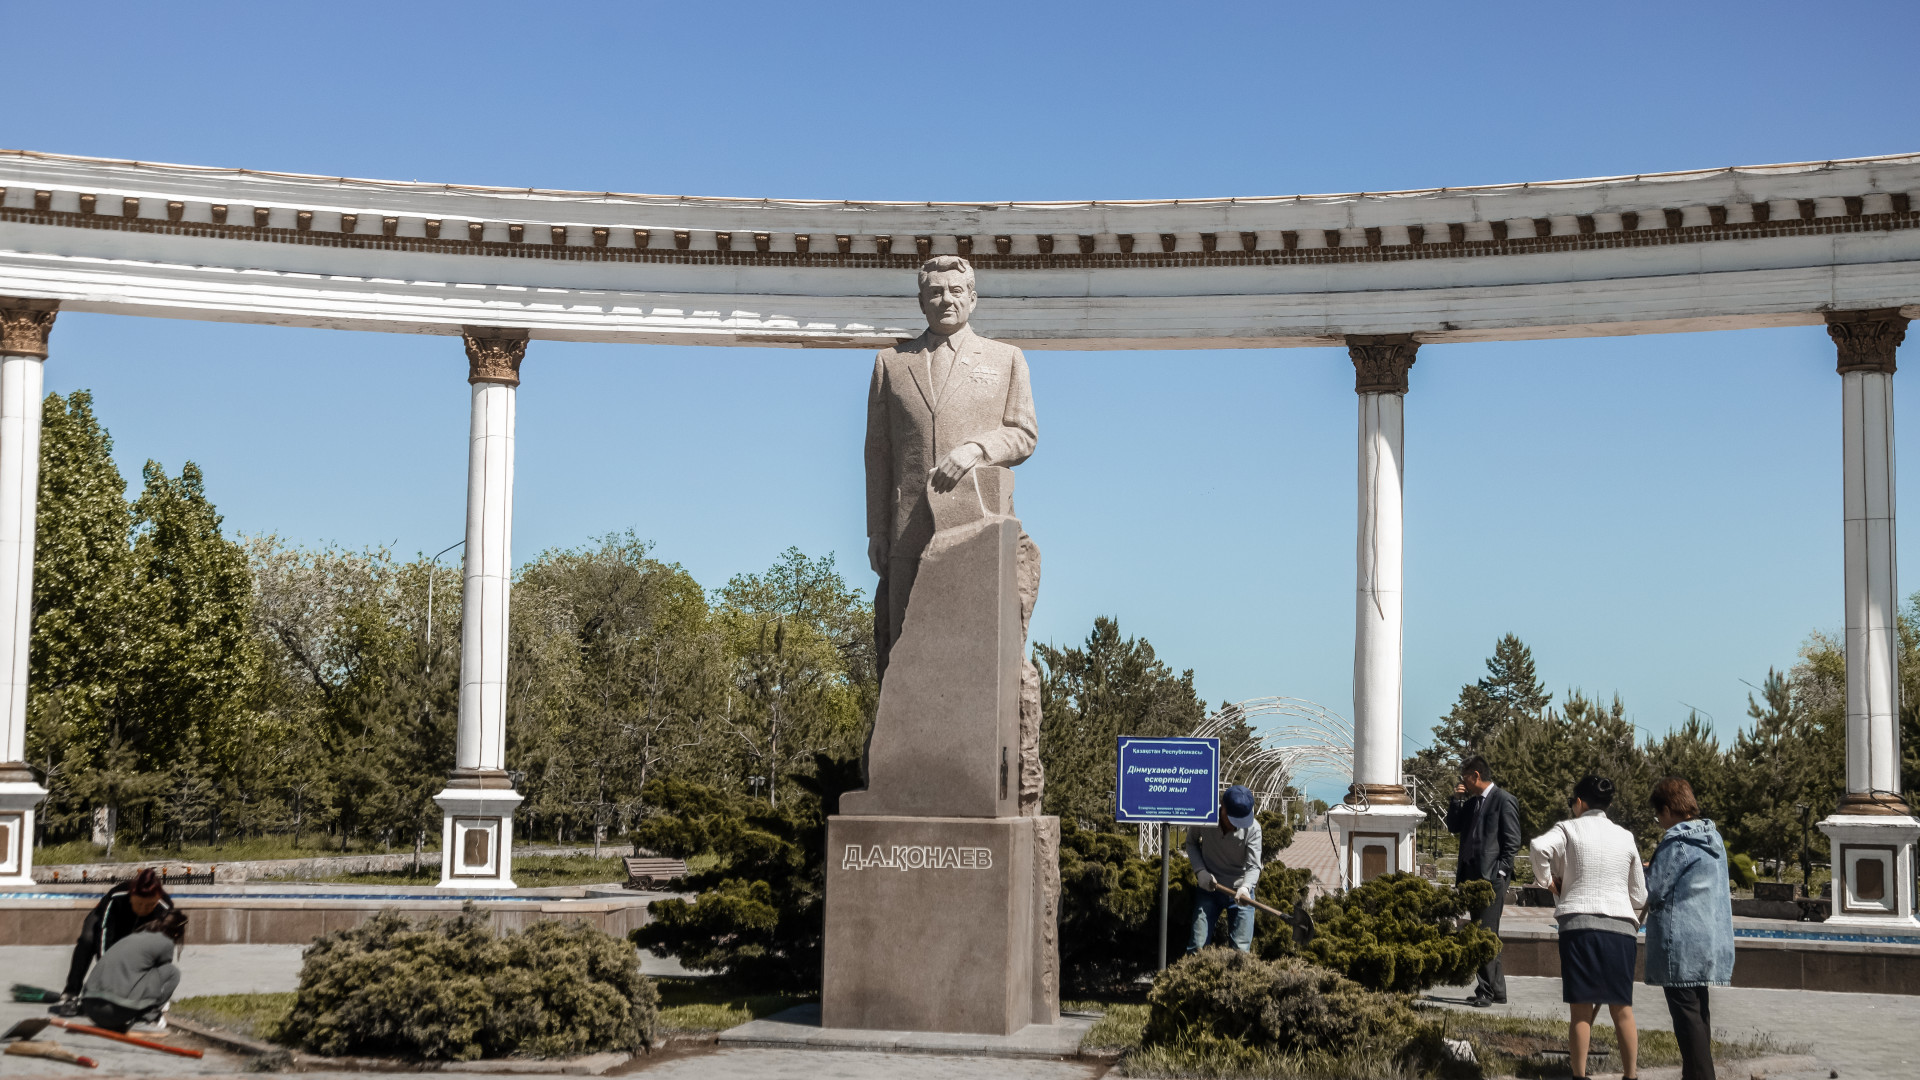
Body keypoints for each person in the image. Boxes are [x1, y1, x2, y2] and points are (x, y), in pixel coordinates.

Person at [1530, 775, 1647, 1080]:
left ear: (1580, 803)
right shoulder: (1625, 836)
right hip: (1621, 929)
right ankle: (1631, 1075)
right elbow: (1640, 895)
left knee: (1581, 1010)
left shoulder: (1568, 828)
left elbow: (1538, 847)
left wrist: (1549, 883)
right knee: (1622, 1007)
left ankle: (1579, 1076)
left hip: (1578, 925)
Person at [1643, 776, 1734, 1080]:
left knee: (1687, 1024)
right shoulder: (1713, 838)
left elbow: (1653, 889)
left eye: (1659, 815)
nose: (1659, 823)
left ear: (1669, 809)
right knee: (1699, 1017)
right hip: (1708, 940)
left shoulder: (1678, 841)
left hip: (1680, 943)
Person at [1444, 754, 1521, 1006]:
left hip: (1491, 879)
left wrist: (1500, 872)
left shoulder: (1503, 800)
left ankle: (1485, 991)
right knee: (1485, 932)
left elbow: (1512, 841)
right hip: (1470, 877)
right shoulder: (1471, 803)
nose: (1462, 782)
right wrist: (1456, 800)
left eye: (1464, 777)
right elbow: (1453, 826)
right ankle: (1497, 990)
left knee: (1484, 934)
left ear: (1475, 775)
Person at [55, 868, 174, 1016]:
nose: (143, 909)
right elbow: (103, 932)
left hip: (139, 931)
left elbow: (160, 949)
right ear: (132, 895)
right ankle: (71, 993)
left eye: (149, 905)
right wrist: (108, 971)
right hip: (103, 922)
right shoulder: (117, 896)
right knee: (87, 939)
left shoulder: (165, 907)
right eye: (139, 903)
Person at [79, 909, 188, 1034]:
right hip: (114, 1013)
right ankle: (145, 1020)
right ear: (176, 932)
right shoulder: (165, 943)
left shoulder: (134, 936)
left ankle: (130, 1010)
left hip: (90, 1009)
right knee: (172, 972)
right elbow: (163, 973)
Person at [1184, 784, 1263, 953]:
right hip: (1209, 888)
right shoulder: (1205, 817)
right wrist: (1200, 871)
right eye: (1234, 821)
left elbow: (1254, 865)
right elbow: (1190, 843)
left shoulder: (1253, 828)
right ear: (1223, 809)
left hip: (1241, 893)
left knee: (1241, 951)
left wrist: (1246, 887)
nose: (1237, 826)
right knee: (1197, 945)